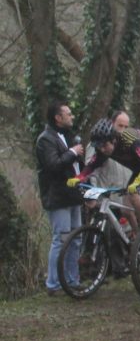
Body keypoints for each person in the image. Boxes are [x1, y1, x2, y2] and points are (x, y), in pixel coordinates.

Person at [36, 101, 84, 295]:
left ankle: (73, 280)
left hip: (73, 195)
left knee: (76, 239)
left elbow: (78, 165)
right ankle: (53, 284)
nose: (72, 116)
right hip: (57, 197)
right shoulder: (45, 139)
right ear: (58, 117)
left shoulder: (70, 136)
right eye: (68, 114)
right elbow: (53, 165)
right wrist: (72, 152)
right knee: (61, 239)